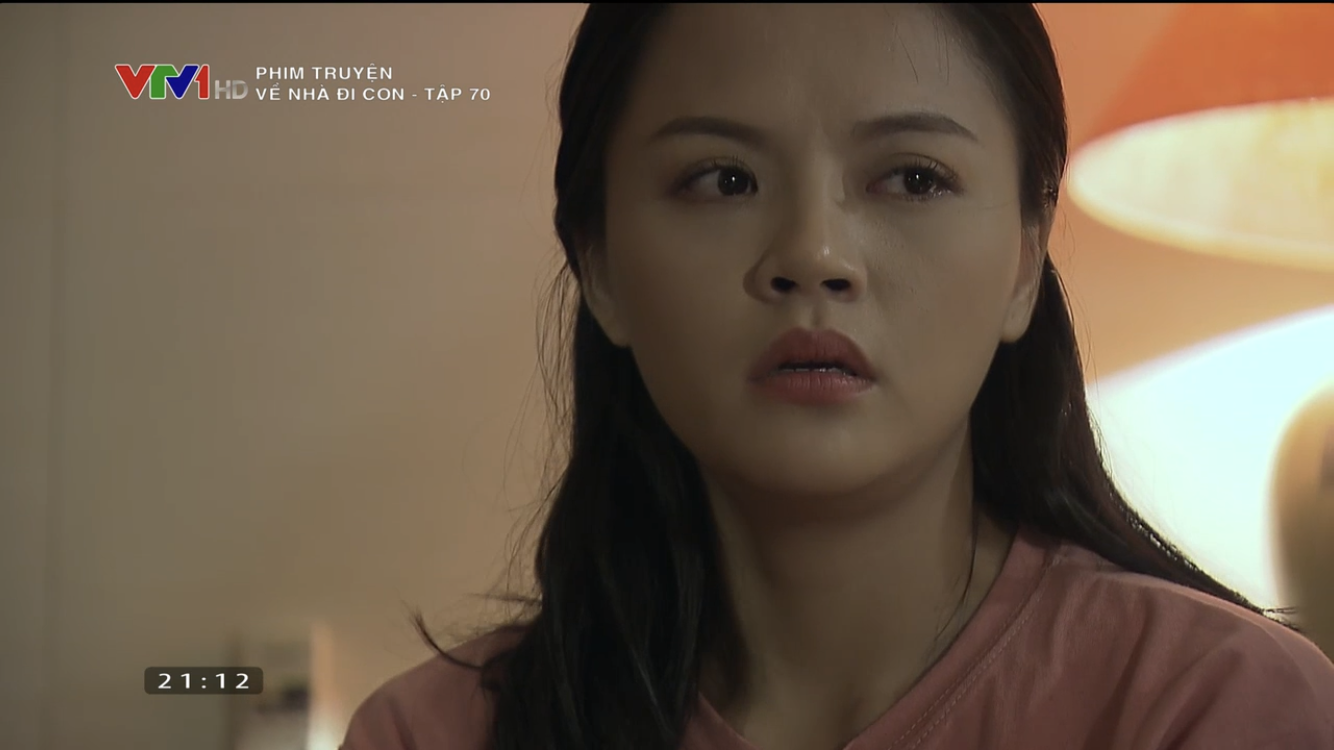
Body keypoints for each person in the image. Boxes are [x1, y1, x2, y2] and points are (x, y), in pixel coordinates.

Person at [341, 4, 1334, 749]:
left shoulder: (1209, 704)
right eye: (723, 180)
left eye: (912, 178)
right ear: (599, 266)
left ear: (1025, 260)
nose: (813, 254)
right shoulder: (431, 734)